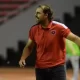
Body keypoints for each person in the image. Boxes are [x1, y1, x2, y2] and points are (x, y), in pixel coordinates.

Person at [19, 4, 80, 80]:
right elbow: (29, 47)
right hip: (40, 69)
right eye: (36, 13)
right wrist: (23, 58)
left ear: (46, 15)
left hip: (57, 69)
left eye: (38, 13)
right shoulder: (33, 29)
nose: (36, 15)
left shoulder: (59, 27)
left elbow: (76, 39)